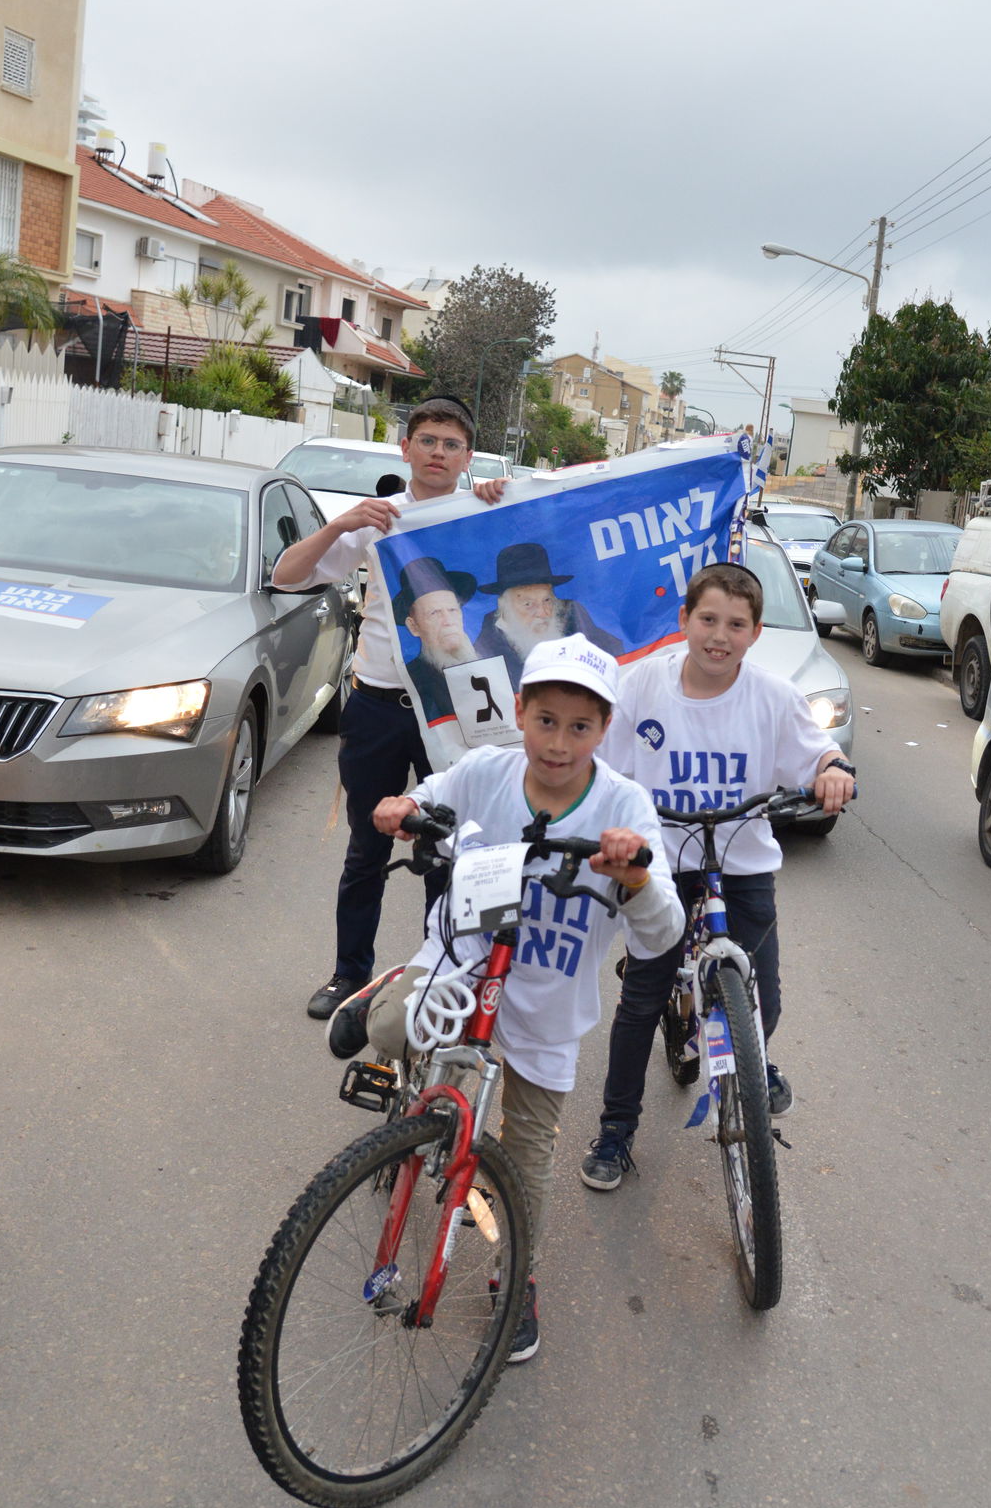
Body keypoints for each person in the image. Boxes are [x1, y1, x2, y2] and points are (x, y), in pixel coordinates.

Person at [330, 635, 683, 1363]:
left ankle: (513, 1276)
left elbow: (663, 932)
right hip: (461, 966)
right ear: (518, 712)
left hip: (546, 1009)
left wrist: (637, 877)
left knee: (525, 1159)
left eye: (580, 727)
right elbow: (430, 795)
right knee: (402, 1031)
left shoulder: (624, 805)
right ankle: (378, 1004)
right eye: (545, 720)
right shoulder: (488, 769)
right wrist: (402, 805)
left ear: (604, 728)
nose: (559, 741)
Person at [579, 560, 856, 1191]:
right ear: (683, 620)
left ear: (755, 633)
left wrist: (835, 769)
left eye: (736, 624)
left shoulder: (773, 696)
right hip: (662, 861)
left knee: (765, 997)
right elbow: (593, 757)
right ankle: (616, 1132)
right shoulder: (640, 685)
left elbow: (821, 752)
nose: (719, 635)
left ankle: (752, 1061)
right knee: (643, 998)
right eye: (708, 619)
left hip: (741, 860)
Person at [272, 397, 505, 1021]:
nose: (437, 453)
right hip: (376, 706)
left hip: (448, 710)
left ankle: (443, 972)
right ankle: (349, 974)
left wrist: (505, 500)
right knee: (365, 847)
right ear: (405, 448)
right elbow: (288, 575)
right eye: (426, 440)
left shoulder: (482, 514)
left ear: (468, 457)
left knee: (444, 846)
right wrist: (339, 525)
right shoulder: (378, 521)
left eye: (451, 445)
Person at [473, 540, 623, 688]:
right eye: (528, 604)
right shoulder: (486, 646)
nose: (543, 613)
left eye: (547, 600)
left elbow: (614, 653)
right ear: (504, 607)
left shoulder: (572, 615)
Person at [394, 554, 478, 723]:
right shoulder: (413, 678)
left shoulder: (483, 665)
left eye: (453, 610)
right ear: (413, 626)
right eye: (435, 613)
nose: (448, 622)